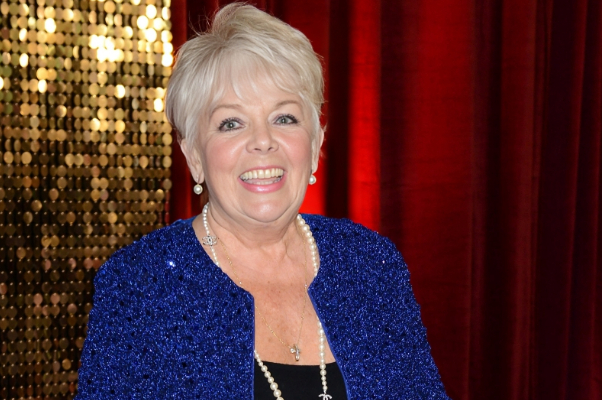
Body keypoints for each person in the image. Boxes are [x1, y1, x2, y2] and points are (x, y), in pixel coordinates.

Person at [76, 4, 450, 399]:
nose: (262, 140)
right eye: (231, 123)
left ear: (315, 144)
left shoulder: (371, 264)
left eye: (284, 118)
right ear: (194, 156)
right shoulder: (139, 285)